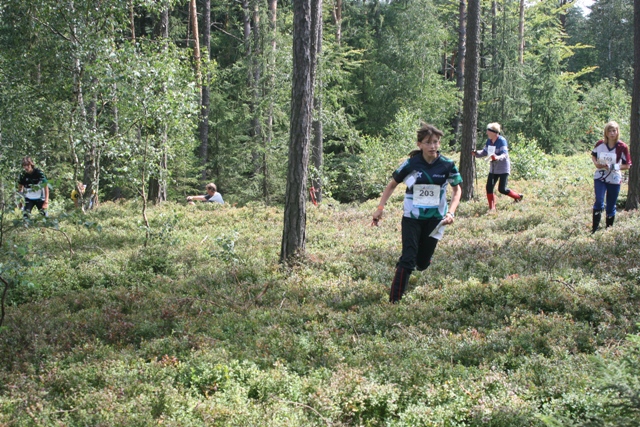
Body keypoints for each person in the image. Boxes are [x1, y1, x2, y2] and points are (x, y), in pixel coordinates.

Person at [372, 123, 462, 303]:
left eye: (436, 142)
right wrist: (380, 208)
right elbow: (392, 185)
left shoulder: (447, 165)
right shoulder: (411, 164)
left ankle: (418, 262)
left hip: (436, 220)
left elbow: (457, 190)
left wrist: (451, 213)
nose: (433, 146)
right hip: (411, 218)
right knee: (408, 258)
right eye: (428, 142)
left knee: (421, 263)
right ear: (419, 144)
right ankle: (394, 302)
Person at [472, 122, 523, 212]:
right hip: (493, 169)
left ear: (494, 132)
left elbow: (505, 154)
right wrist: (476, 153)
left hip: (503, 168)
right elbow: (484, 152)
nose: (487, 133)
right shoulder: (489, 141)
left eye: (488, 131)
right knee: (489, 187)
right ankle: (492, 208)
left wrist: (497, 157)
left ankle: (518, 197)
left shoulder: (502, 140)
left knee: (502, 189)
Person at [590, 121, 631, 233]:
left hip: (614, 178)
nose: (612, 133)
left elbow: (627, 165)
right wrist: (596, 164)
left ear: (617, 132)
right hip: (600, 177)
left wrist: (613, 166)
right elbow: (593, 155)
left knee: (611, 205)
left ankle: (608, 230)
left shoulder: (622, 147)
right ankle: (594, 230)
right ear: (606, 133)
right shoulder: (600, 144)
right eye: (610, 131)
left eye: (614, 130)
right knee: (599, 201)